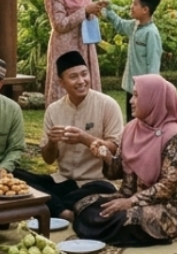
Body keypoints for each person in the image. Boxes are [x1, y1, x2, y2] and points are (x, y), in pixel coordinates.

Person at [74, 75, 177, 246]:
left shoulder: (173, 136)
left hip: (168, 206)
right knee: (84, 206)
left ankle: (147, 233)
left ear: (153, 99)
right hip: (128, 196)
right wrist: (106, 156)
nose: (131, 101)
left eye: (137, 95)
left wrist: (130, 202)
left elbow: (167, 187)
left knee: (124, 220)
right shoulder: (131, 129)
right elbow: (117, 172)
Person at [15, 51, 122, 223]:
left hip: (95, 182)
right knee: (15, 176)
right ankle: (66, 211)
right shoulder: (54, 110)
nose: (81, 81)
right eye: (73, 77)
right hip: (63, 181)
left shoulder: (107, 105)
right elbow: (48, 159)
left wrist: (84, 138)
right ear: (61, 82)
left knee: (104, 193)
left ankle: (49, 207)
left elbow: (115, 149)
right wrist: (52, 141)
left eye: (84, 74)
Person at [44, 0, 103, 105]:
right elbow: (59, 25)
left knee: (85, 81)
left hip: (85, 43)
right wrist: (85, 11)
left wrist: (94, 11)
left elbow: (87, 13)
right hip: (66, 46)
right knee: (67, 81)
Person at [103, 0, 163, 121]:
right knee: (131, 122)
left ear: (145, 10)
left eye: (135, 4)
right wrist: (108, 9)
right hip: (130, 87)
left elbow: (153, 65)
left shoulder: (151, 33)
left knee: (142, 122)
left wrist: (149, 90)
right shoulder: (134, 26)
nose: (132, 7)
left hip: (143, 90)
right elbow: (119, 24)